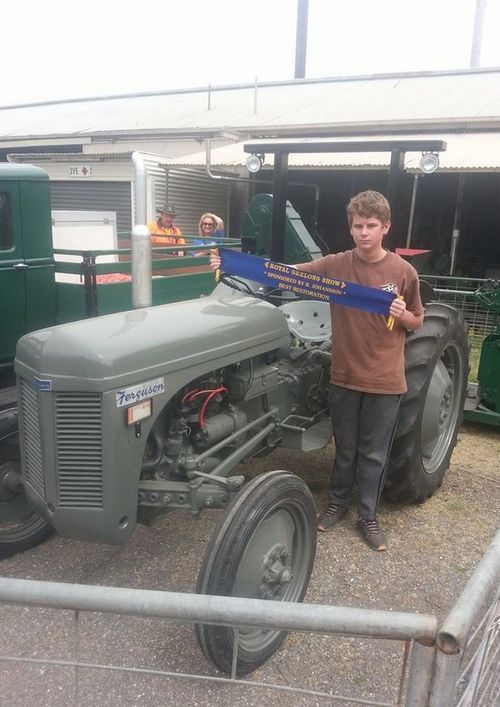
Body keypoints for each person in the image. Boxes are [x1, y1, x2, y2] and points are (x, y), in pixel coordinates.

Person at [210, 190, 424, 551]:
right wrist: (237, 264)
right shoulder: (337, 264)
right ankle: (336, 505)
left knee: (374, 453)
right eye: (358, 226)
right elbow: (289, 275)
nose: (364, 233)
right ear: (350, 227)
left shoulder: (403, 272)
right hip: (344, 376)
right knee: (346, 448)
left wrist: (403, 315)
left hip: (385, 381)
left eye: (371, 226)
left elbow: (418, 319)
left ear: (386, 227)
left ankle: (368, 517)